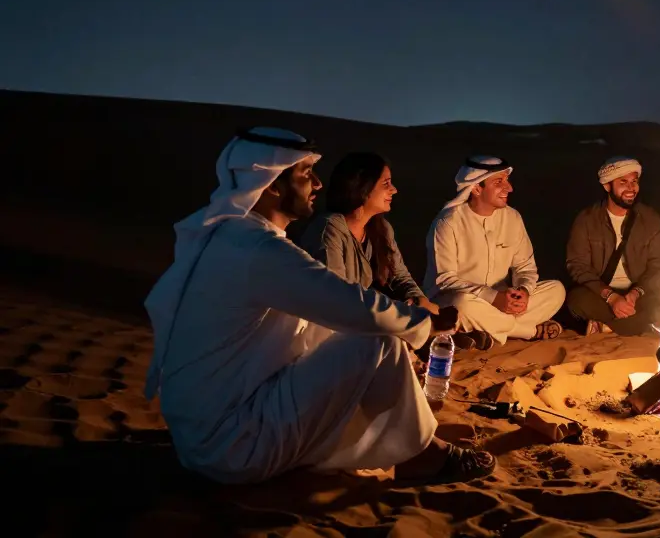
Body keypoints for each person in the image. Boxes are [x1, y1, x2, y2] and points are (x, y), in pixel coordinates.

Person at [142, 128, 493, 485]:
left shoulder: (234, 238)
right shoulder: (259, 250)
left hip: (207, 435)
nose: (318, 184)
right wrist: (426, 323)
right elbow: (346, 302)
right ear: (272, 184)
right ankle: (421, 456)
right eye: (306, 173)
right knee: (379, 342)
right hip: (232, 444)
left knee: (350, 337)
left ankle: (407, 440)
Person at [423, 156, 565, 347]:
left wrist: (523, 291)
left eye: (507, 180)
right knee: (462, 305)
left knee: (556, 290)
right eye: (499, 182)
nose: (509, 188)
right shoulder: (448, 222)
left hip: (503, 300)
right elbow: (445, 280)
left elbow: (525, 267)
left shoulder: (513, 217)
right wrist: (492, 297)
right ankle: (528, 331)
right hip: (461, 300)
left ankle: (486, 330)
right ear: (476, 188)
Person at [301, 152, 430, 310]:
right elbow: (335, 296)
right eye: (386, 183)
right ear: (363, 187)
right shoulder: (329, 230)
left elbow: (400, 277)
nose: (394, 190)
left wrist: (417, 299)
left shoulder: (381, 228)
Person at [565, 157, 660, 335]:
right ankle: (631, 325)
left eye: (634, 181)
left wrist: (635, 293)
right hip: (601, 293)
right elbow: (578, 266)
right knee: (576, 299)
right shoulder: (586, 220)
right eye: (623, 182)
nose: (631, 188)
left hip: (637, 293)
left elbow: (659, 266)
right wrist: (611, 297)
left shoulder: (650, 219)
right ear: (607, 186)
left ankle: (605, 326)